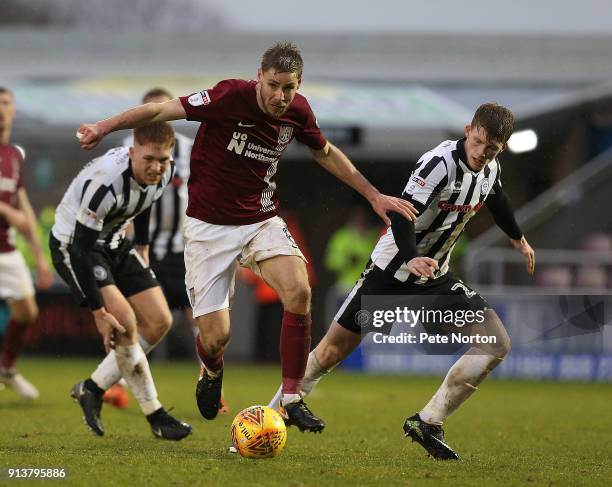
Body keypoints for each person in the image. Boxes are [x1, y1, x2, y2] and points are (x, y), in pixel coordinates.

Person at [76, 41, 417, 433]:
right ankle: (211, 369)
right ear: (259, 77)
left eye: (289, 87)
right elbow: (159, 110)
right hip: (208, 228)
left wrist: (373, 195)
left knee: (299, 291)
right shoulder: (227, 96)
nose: (280, 96)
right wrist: (103, 127)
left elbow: (324, 152)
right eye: (273, 85)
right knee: (217, 338)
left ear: (299, 84)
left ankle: (292, 398)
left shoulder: (299, 111)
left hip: (260, 219)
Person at [268, 103, 536, 459]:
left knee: (495, 344)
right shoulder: (438, 163)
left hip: (434, 279)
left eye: (493, 148)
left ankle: (428, 421)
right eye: (480, 142)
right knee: (330, 352)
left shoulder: (490, 169)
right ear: (469, 129)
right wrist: (411, 258)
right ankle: (267, 418)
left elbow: (497, 198)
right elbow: (400, 213)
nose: (483, 153)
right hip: (391, 274)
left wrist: (517, 237)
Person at [49, 122, 191, 440]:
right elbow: (81, 249)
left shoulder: (165, 172)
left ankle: (92, 388)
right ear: (132, 152)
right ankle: (156, 414)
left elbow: (143, 200)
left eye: (163, 160)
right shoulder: (105, 185)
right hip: (74, 246)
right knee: (125, 321)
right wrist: (98, 312)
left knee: (159, 321)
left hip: (115, 241)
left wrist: (141, 244)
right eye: (149, 159)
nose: (156, 167)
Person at [104, 87, 232, 413]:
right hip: (141, 248)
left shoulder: (192, 149)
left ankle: (210, 386)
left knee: (203, 322)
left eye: (159, 111)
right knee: (131, 320)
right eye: (147, 113)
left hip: (184, 249)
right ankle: (114, 386)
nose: (153, 119)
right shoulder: (125, 150)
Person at [0, 86, 53, 399]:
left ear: (13, 110)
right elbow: (12, 209)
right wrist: (7, 211)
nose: (1, 108)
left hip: (6, 248)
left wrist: (40, 258)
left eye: (6, 103)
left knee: (27, 312)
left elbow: (25, 209)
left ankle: (6, 367)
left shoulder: (12, 155)